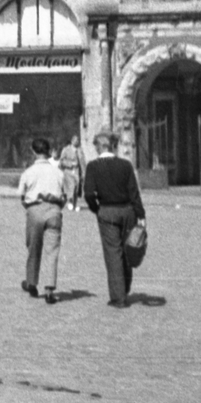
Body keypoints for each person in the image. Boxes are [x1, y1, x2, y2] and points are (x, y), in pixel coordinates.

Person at [83, 130, 144, 309]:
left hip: (107, 211)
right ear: (114, 146)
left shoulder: (93, 166)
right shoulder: (125, 165)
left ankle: (118, 297)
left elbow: (88, 194)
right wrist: (141, 215)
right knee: (127, 250)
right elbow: (134, 192)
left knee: (113, 253)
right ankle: (124, 288)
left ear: (99, 147)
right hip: (127, 211)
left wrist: (97, 209)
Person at [16, 137, 65, 304]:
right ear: (49, 152)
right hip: (54, 211)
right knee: (52, 251)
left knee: (33, 248)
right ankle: (50, 289)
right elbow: (65, 195)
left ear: (33, 152)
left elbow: (21, 196)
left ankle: (31, 282)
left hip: (34, 210)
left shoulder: (28, 172)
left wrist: (30, 208)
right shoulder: (58, 172)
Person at [58, 132, 83, 211]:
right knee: (70, 187)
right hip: (68, 171)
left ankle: (74, 205)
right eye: (76, 140)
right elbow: (61, 161)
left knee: (76, 188)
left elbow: (82, 162)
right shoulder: (66, 149)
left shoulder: (80, 150)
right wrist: (70, 164)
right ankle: (70, 202)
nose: (77, 142)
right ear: (72, 141)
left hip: (76, 171)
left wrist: (83, 171)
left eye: (78, 140)